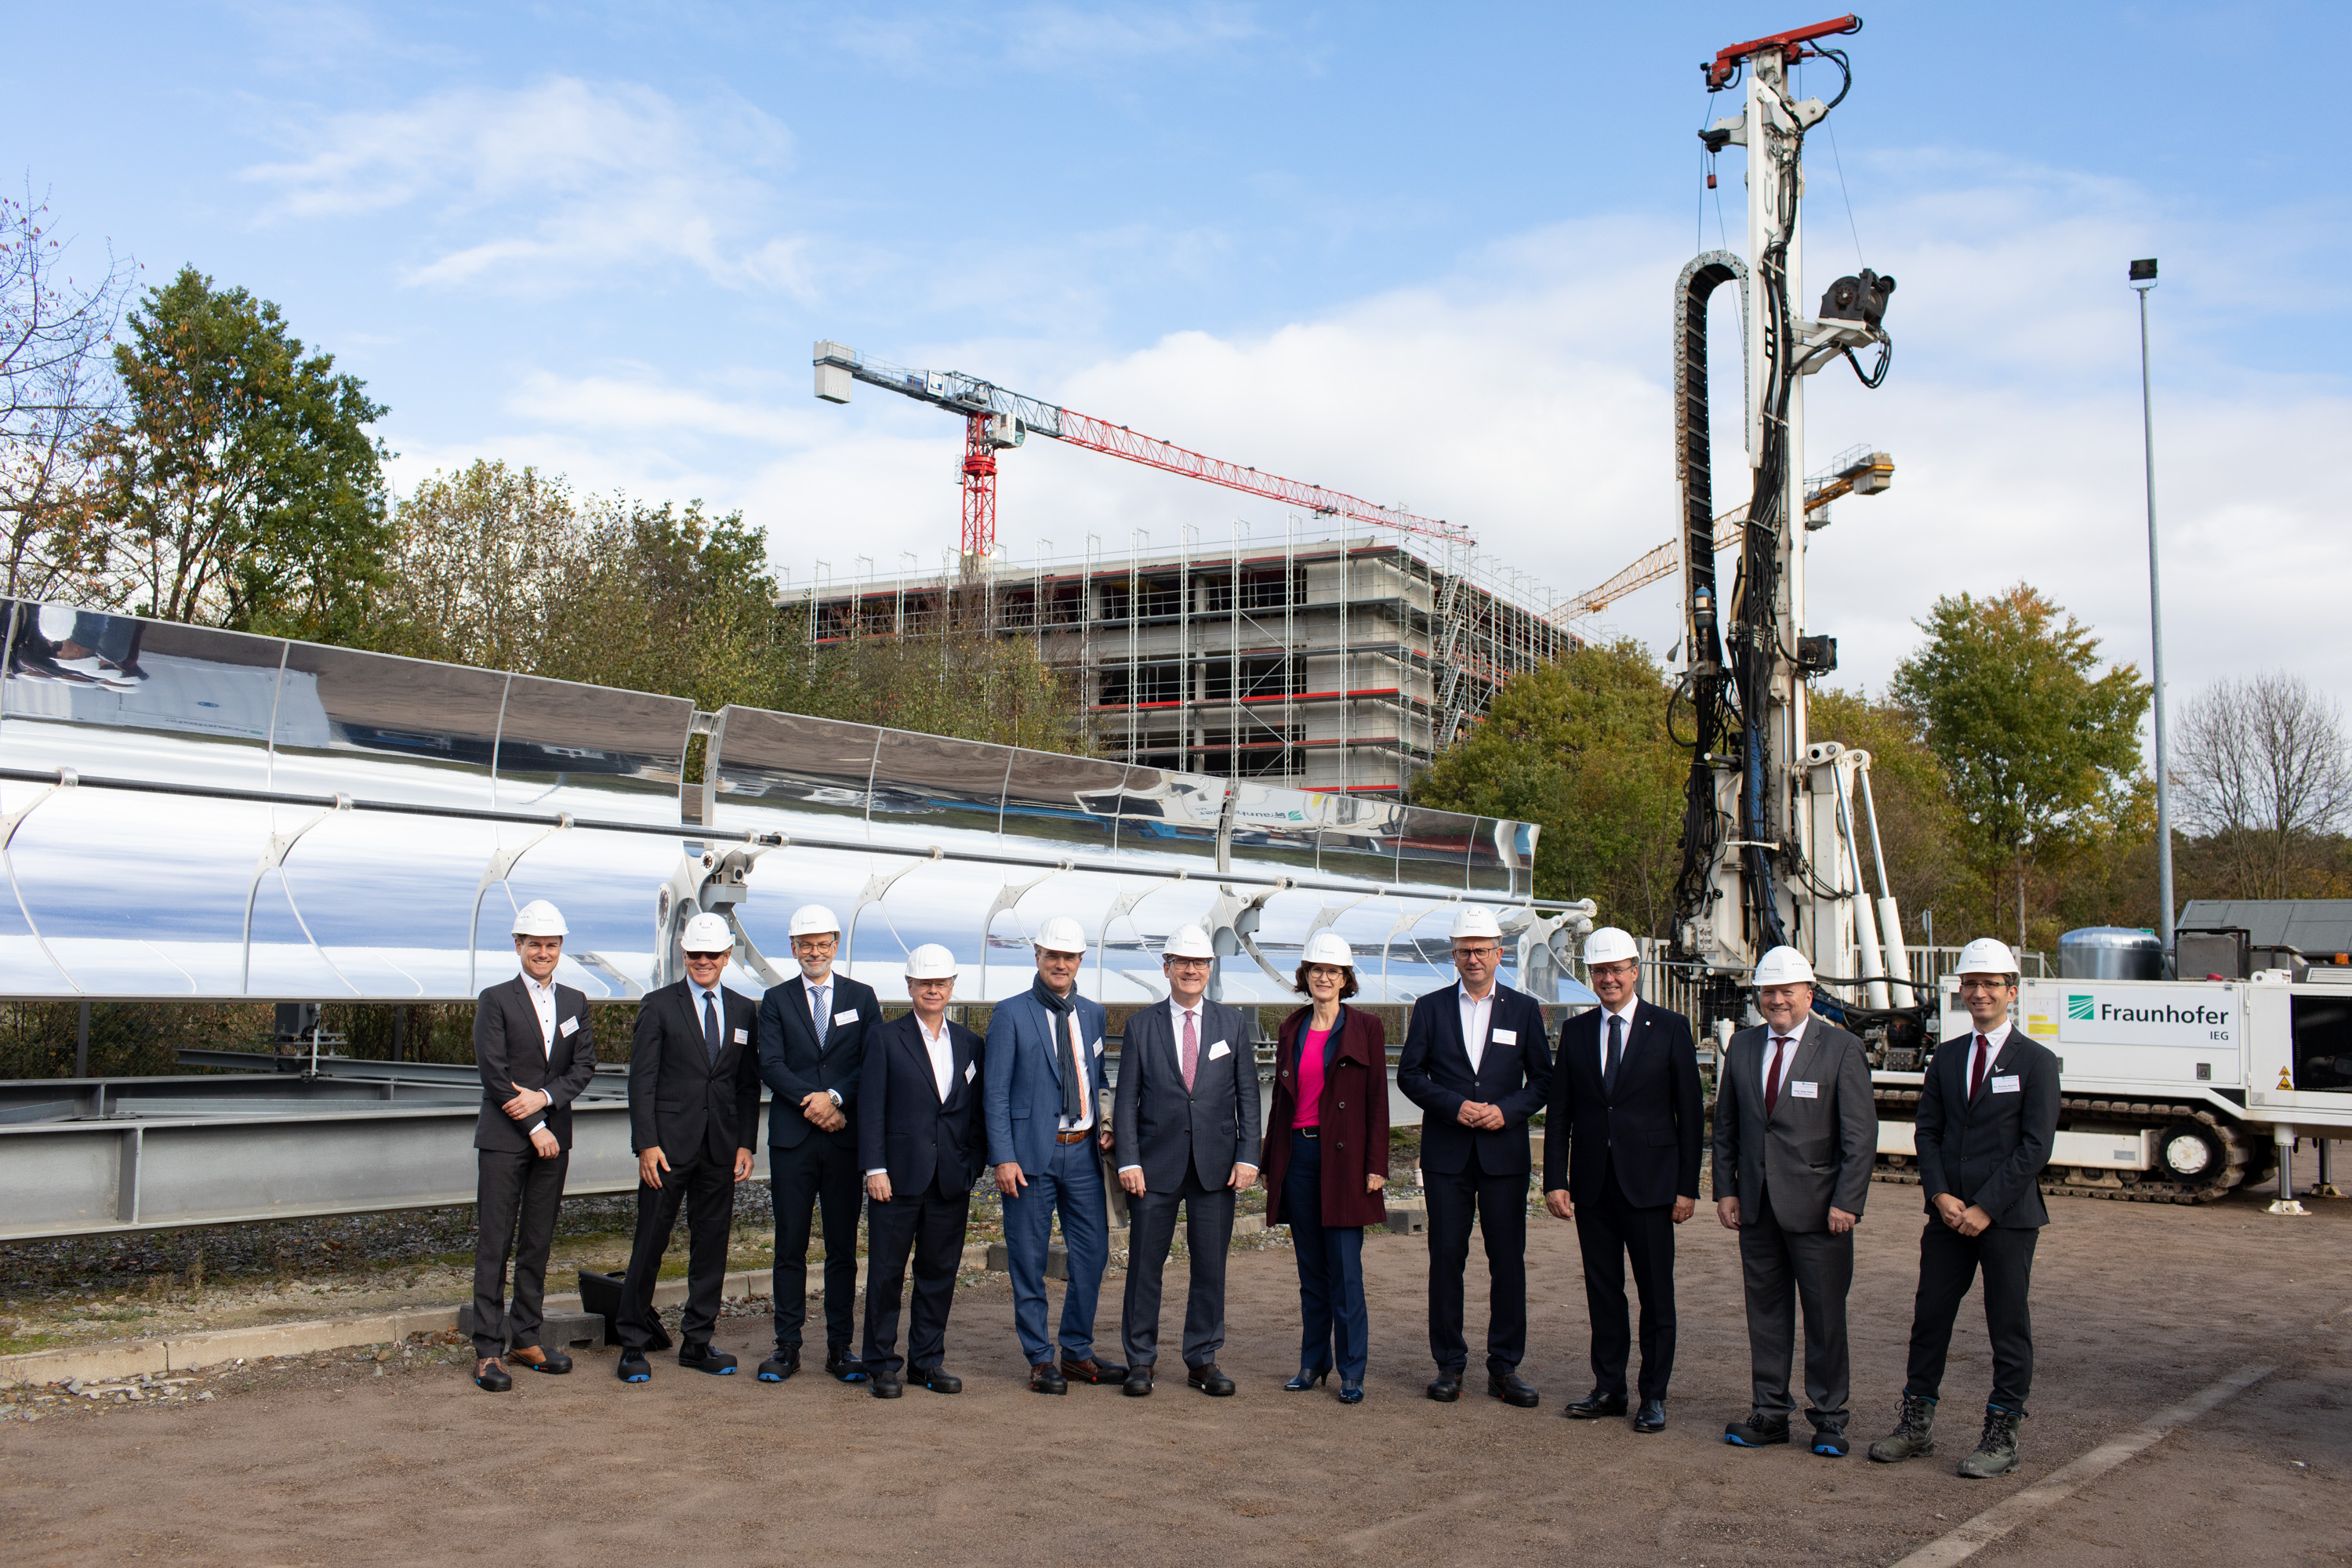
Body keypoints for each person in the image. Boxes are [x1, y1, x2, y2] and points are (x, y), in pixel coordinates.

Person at [1870, 938, 2060, 1479]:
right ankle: (1915, 1425)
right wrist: (1941, 1195)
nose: (1979, 993)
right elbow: (1927, 1132)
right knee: (1929, 1317)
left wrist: (1986, 1207)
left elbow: (2035, 1147)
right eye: (1971, 984)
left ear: (2012, 992)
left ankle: (2002, 1435)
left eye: (1990, 984)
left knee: (2007, 1325)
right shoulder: (1949, 1056)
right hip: (1948, 1217)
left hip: (2008, 1219)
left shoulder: (2037, 1062)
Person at [1713, 945, 1878, 1454]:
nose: (1777, 1000)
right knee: (1765, 1312)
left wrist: (1848, 1201)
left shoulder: (1841, 1049)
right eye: (1769, 992)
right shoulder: (1742, 1048)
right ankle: (1769, 1412)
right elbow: (1726, 1128)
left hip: (1820, 1209)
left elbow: (1859, 1135)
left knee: (1825, 1315)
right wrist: (1726, 1190)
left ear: (1809, 993)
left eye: (1787, 991)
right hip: (1757, 1206)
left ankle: (1829, 1417)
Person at [1543, 927, 1702, 1433]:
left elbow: (1691, 1115)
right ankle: (1609, 1387)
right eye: (1600, 971)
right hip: (1592, 1186)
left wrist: (1687, 1187)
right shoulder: (1578, 1032)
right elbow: (1561, 1112)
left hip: (1652, 1186)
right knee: (1603, 1291)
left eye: (1617, 970)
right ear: (1591, 976)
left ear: (1635, 971)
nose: (1609, 979)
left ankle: (1653, 1395)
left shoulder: (1671, 1028)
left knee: (1656, 1294)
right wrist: (1554, 1179)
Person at [1396, 905, 1553, 1408]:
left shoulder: (1524, 1010)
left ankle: (1505, 1367)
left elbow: (1544, 1081)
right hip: (1448, 1155)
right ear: (1454, 954)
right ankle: (1449, 1365)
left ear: (1498, 954)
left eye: (1482, 950)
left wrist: (1506, 1112)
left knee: (1507, 1262)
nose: (1472, 959)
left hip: (1503, 1155)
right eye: (1464, 951)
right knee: (1446, 1259)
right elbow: (1411, 1075)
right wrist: (1453, 1106)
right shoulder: (1431, 1007)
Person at [1112, 924, 1262, 1397]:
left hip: (1216, 1167)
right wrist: (1128, 1160)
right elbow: (1126, 1099)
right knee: (1144, 1267)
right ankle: (1140, 1360)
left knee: (1210, 1267)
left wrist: (1248, 1156)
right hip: (1154, 1167)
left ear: (1210, 969)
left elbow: (1248, 1097)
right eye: (1182, 962)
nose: (1191, 970)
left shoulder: (1232, 1024)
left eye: (1199, 963)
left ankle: (1202, 1359)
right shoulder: (1141, 1025)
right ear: (1167, 968)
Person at [615, 913, 763, 1384]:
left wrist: (745, 1143)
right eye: (695, 954)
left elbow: (745, 1084)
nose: (703, 962)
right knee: (650, 1243)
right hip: (668, 1150)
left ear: (726, 958)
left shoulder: (743, 1010)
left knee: (711, 1248)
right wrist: (647, 1144)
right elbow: (642, 1082)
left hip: (720, 1150)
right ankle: (633, 1343)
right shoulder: (658, 1006)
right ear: (685, 956)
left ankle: (697, 1342)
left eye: (712, 955)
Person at [983, 916, 1125, 1392]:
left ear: (1080, 961)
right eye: (1053, 956)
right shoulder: (1010, 1013)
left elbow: (1096, 1079)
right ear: (1038, 957)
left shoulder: (1093, 1014)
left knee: (1093, 1255)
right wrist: (1003, 1157)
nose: (1061, 964)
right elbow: (996, 1093)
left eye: (1069, 957)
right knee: (1028, 1257)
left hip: (1084, 1154)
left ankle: (1077, 1352)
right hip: (1028, 1159)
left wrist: (1105, 1125)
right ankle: (1040, 1358)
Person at [466, 899, 598, 1392]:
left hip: (553, 1138)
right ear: (517, 945)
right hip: (507, 1139)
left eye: (551, 945)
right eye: (534, 944)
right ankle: (487, 1351)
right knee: (495, 1242)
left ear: (561, 948)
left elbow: (583, 1067)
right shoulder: (496, 999)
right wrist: (534, 1126)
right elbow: (494, 1074)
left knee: (537, 1241)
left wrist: (545, 1101)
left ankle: (526, 1336)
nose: (543, 952)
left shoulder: (575, 1001)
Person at [753, 903, 882, 1385]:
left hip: (843, 1141)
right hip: (794, 1141)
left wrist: (835, 1098)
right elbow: (770, 1063)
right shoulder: (775, 1000)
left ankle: (840, 1347)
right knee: (789, 1246)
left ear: (835, 946)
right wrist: (814, 1102)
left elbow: (870, 1060)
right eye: (805, 944)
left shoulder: (861, 997)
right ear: (793, 948)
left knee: (842, 1249)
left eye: (822, 943)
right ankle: (787, 1346)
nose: (814, 951)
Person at [1261, 931, 1389, 1404]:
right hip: (1299, 1157)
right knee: (1311, 1272)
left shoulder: (1366, 1028)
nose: (1323, 977)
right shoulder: (1291, 1027)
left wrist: (1377, 1163)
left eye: (1332, 971)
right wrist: (1271, 1160)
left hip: (1346, 1163)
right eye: (1316, 970)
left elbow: (1378, 1099)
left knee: (1346, 1271)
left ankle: (1352, 1370)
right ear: (1305, 975)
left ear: (1345, 978)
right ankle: (1313, 1363)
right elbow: (1280, 1099)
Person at [858, 944, 986, 1399]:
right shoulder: (884, 1038)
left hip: (950, 1180)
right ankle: (881, 1364)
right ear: (909, 986)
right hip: (896, 1179)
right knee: (887, 1274)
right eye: (924, 983)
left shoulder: (971, 1044)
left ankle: (926, 1363)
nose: (933, 989)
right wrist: (875, 1167)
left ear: (952, 986)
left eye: (940, 982)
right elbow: (870, 1108)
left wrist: (972, 1165)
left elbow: (975, 1114)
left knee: (938, 1274)